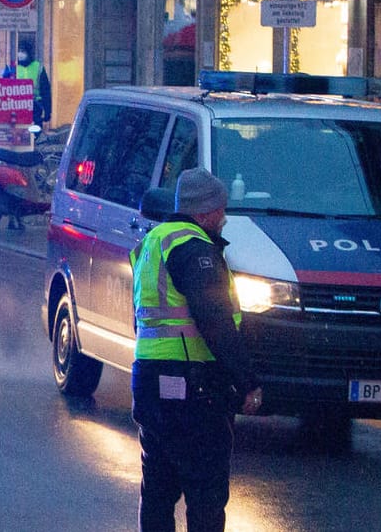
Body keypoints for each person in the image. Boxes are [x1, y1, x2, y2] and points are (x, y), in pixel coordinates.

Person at [131, 168, 262, 532]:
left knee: (157, 489)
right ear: (204, 212)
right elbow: (215, 321)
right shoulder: (194, 247)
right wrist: (247, 380)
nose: (223, 218)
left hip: (149, 379)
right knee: (205, 492)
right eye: (220, 210)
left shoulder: (152, 242)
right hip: (191, 385)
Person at [13, 42, 52, 125]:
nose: (20, 54)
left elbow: (46, 91)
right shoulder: (13, 67)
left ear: (29, 52)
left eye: (23, 51)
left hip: (35, 107)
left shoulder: (38, 67)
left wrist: (47, 111)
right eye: (19, 51)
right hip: (18, 107)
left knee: (36, 132)